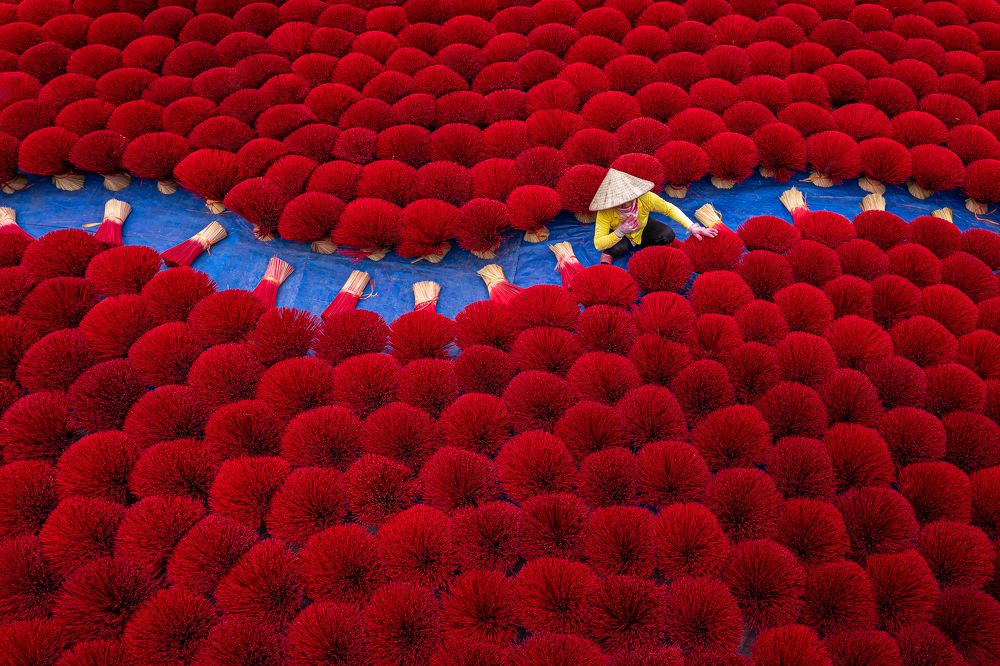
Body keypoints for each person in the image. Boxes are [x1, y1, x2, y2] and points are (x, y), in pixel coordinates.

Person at [590, 169, 717, 263]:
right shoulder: (605, 212)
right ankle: (608, 254)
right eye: (619, 203)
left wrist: (691, 226)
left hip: (642, 228)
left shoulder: (646, 198)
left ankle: (646, 249)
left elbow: (669, 209)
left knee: (668, 235)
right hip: (618, 235)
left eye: (628, 200)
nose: (625, 205)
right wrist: (620, 231)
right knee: (620, 247)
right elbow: (598, 243)